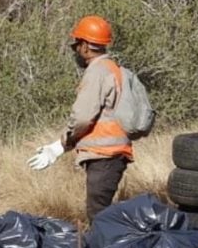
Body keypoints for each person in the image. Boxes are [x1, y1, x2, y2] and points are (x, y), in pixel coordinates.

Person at [27, 15, 132, 221]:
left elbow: (83, 118)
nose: (75, 49)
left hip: (104, 156)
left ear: (85, 46)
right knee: (103, 214)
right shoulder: (112, 68)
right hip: (111, 155)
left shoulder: (97, 72)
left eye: (76, 44)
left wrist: (60, 145)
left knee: (99, 217)